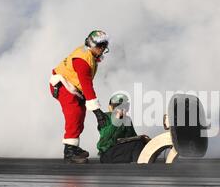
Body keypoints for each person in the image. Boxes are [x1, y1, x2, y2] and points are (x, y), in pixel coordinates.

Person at [49, 30, 110, 164]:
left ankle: (73, 147)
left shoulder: (90, 54)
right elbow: (87, 86)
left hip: (74, 87)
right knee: (74, 113)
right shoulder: (83, 61)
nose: (103, 49)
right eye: (101, 46)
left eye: (104, 46)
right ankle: (69, 152)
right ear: (93, 45)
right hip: (62, 85)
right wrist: (97, 112)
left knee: (80, 113)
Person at [98, 93, 150, 164]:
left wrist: (142, 139)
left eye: (124, 106)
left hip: (121, 151)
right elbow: (105, 137)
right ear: (111, 107)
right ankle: (139, 166)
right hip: (108, 154)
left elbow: (131, 137)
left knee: (141, 144)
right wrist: (117, 120)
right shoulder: (105, 117)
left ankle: (139, 164)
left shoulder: (127, 120)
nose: (121, 109)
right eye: (118, 106)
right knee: (137, 145)